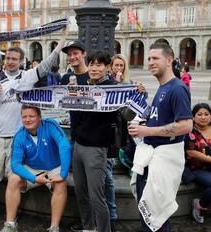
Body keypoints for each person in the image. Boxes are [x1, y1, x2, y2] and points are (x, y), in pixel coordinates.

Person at [0, 26, 68, 221]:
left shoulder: (26, 77)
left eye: (14, 59)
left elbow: (46, 64)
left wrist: (61, 42)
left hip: (18, 136)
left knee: (14, 177)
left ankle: (13, 211)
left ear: (21, 61)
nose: (10, 62)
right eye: (7, 59)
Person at [128, 43, 193, 232]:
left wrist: (147, 132)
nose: (150, 62)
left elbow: (186, 126)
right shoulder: (163, 87)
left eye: (155, 58)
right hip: (151, 159)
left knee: (156, 220)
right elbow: (158, 120)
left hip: (161, 161)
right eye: (149, 59)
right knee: (150, 218)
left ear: (169, 60)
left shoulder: (177, 88)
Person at [0, 105, 71, 232]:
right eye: (24, 117)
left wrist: (63, 173)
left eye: (31, 116)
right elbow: (15, 164)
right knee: (13, 179)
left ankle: (54, 227)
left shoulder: (50, 125)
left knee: (61, 183)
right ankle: (10, 224)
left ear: (39, 117)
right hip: (33, 168)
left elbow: (64, 146)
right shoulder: (20, 135)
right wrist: (34, 178)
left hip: (53, 167)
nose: (27, 120)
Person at [71, 50, 118, 232]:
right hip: (79, 145)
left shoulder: (113, 88)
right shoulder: (86, 85)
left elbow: (126, 114)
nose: (94, 68)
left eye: (99, 65)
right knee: (81, 193)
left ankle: (103, 229)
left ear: (107, 67)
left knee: (97, 195)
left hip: (96, 148)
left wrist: (138, 94)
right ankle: (88, 227)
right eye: (91, 64)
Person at [184, 103, 211, 224]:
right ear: (193, 117)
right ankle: (200, 205)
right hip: (197, 168)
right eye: (199, 114)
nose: (203, 117)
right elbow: (191, 153)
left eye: (206, 114)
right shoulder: (190, 132)